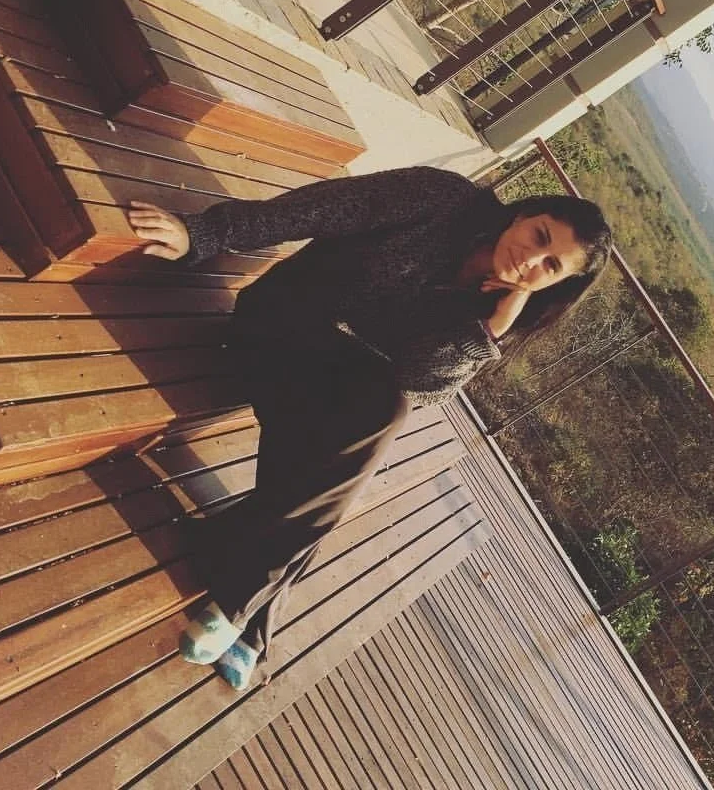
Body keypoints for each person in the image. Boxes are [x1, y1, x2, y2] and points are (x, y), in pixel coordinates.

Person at [126, 165, 611, 689]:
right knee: (343, 460)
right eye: (539, 236)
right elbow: (318, 207)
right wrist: (204, 234)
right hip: (278, 328)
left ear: (557, 283)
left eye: (551, 265)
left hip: (331, 385)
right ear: (521, 213)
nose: (531, 259)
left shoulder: (494, 310)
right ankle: (247, 617)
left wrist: (485, 330)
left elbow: (420, 387)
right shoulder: (439, 199)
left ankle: (240, 601)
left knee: (379, 418)